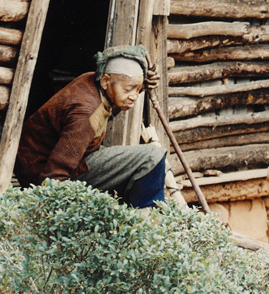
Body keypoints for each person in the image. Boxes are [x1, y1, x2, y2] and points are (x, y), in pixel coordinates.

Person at [15, 44, 167, 209]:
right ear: (105, 81)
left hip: (60, 161)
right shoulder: (85, 115)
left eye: (138, 89)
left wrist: (142, 85)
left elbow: (120, 91)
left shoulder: (94, 81)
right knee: (152, 156)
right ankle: (144, 216)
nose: (134, 96)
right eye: (129, 89)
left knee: (134, 164)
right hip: (40, 173)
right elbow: (55, 174)